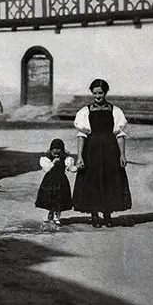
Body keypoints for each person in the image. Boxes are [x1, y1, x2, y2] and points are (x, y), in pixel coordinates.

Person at [73, 79, 132, 228]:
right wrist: (79, 156)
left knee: (109, 181)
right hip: (91, 150)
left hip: (110, 151)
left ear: (106, 92)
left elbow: (120, 135)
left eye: (100, 93)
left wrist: (122, 155)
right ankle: (94, 215)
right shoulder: (85, 111)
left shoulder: (115, 111)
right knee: (92, 181)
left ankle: (107, 215)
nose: (97, 96)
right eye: (95, 93)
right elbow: (81, 136)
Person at [35, 138, 76, 226]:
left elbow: (69, 166)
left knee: (59, 199)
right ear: (50, 150)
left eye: (59, 150)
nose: (57, 152)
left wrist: (71, 167)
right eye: (54, 150)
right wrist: (53, 162)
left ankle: (57, 217)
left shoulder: (66, 159)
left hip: (61, 181)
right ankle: (50, 214)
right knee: (50, 197)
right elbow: (46, 169)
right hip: (49, 181)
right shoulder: (46, 159)